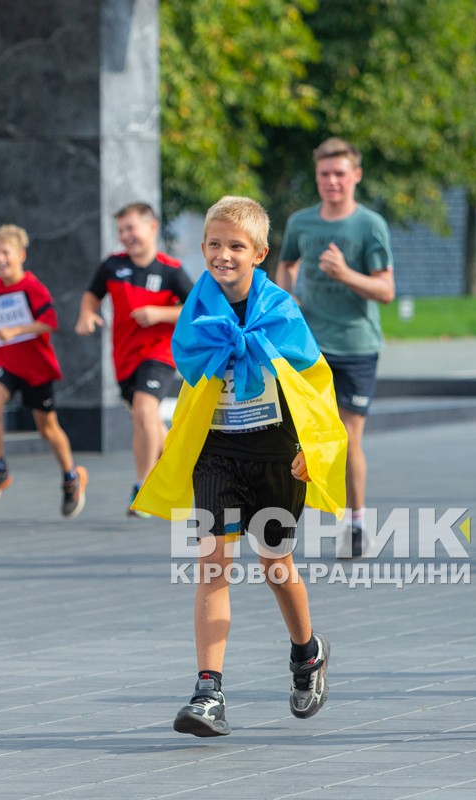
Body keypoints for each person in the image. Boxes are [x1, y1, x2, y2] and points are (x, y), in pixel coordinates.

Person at [133, 196, 348, 737]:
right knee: (212, 567)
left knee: (276, 567)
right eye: (214, 244)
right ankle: (209, 692)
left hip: (276, 456)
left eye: (235, 246)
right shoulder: (197, 309)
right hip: (217, 456)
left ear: (260, 253)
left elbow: (311, 387)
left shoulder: (281, 312)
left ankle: (307, 652)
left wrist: (310, 449)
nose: (223, 255)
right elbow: (189, 369)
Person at [275, 137, 394, 558]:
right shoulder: (302, 222)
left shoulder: (369, 226)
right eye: (325, 174)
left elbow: (386, 289)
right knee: (295, 435)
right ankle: (283, 521)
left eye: (340, 173)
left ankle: (356, 523)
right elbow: (286, 264)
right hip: (308, 345)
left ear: (355, 175)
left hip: (357, 345)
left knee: (347, 437)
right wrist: (283, 302)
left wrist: (344, 273)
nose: (332, 181)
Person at [75, 202, 193, 516]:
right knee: (147, 420)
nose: (126, 236)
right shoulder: (112, 266)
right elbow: (91, 294)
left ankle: (144, 487)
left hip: (159, 354)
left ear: (152, 228)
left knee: (144, 410)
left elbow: (197, 309)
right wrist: (87, 313)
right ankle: (186, 470)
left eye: (131, 228)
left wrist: (160, 313)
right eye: (121, 230)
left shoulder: (171, 270)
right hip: (124, 357)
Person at [0, 224, 88, 519]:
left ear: (20, 255)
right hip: (7, 364)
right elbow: (3, 324)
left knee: (47, 429)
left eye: (5, 253)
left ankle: (71, 477)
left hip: (36, 369)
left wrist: (17, 330)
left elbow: (49, 322)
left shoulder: (32, 287)